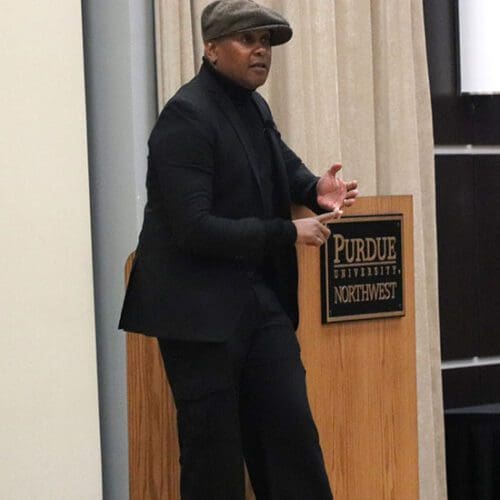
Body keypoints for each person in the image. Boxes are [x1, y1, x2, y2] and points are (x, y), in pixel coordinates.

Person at [119, 0, 358, 498]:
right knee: (214, 460)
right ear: (210, 47)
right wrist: (287, 233)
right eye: (247, 40)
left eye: (266, 42)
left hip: (257, 301)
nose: (261, 51)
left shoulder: (254, 105)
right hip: (198, 314)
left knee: (292, 439)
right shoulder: (185, 116)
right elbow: (194, 229)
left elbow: (282, 167)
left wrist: (316, 188)